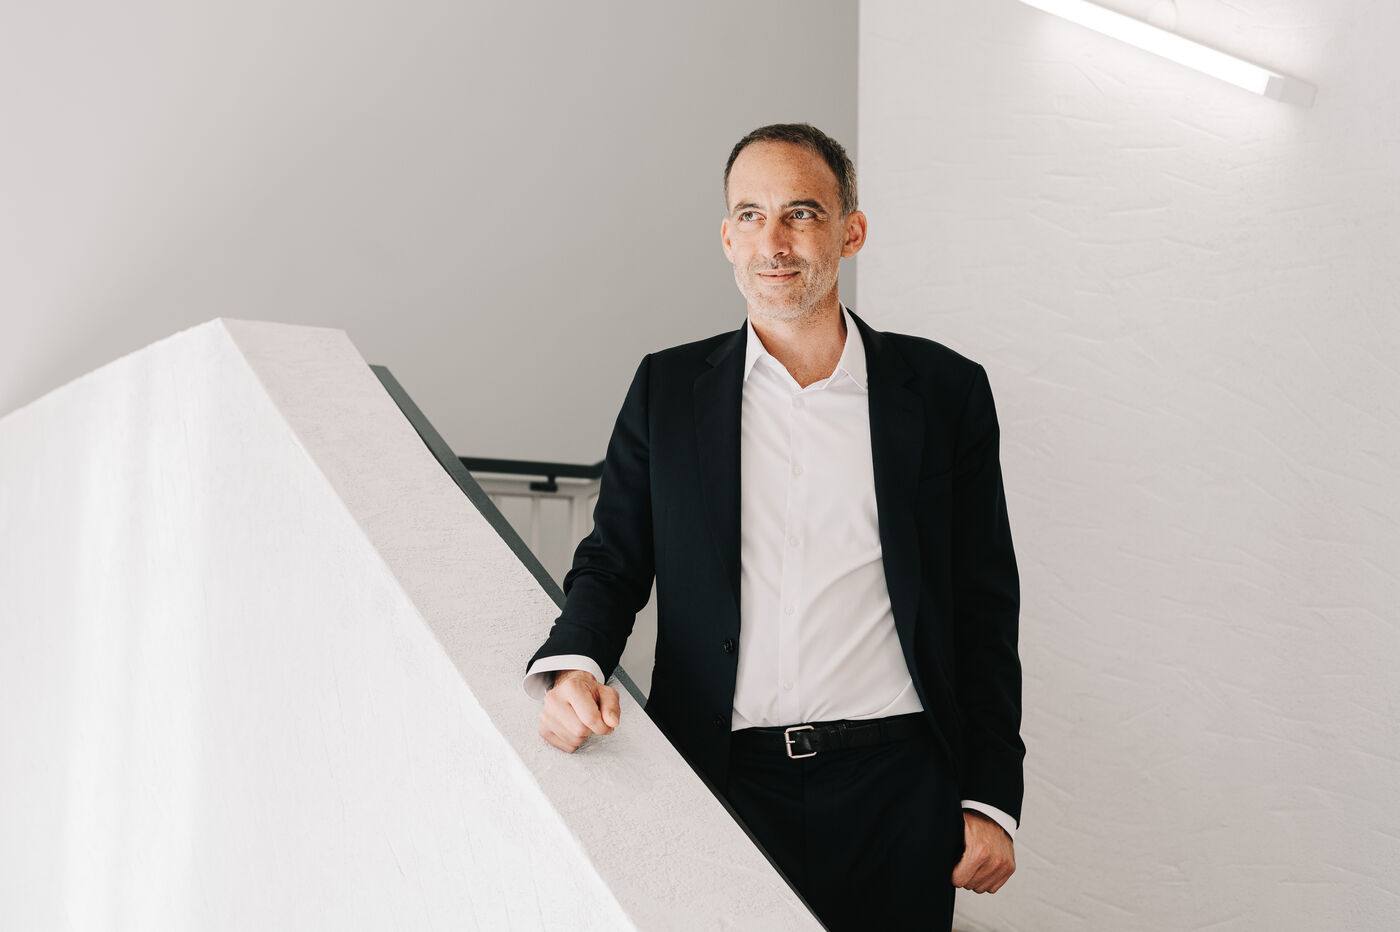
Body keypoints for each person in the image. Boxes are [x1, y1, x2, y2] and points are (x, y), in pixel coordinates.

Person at [523, 123, 1023, 931]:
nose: (774, 242)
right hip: (719, 782)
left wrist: (991, 793)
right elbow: (613, 560)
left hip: (898, 790)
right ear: (727, 237)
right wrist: (574, 666)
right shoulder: (666, 389)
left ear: (851, 231)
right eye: (750, 215)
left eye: (802, 213)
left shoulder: (943, 391)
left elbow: (984, 603)